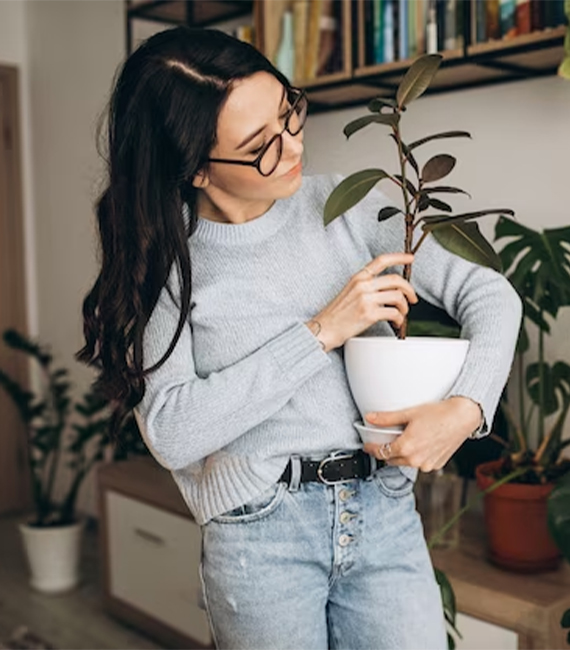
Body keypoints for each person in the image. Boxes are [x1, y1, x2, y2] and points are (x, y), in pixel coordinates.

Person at [76, 26, 522, 650]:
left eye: (289, 112)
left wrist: (467, 408)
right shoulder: (168, 260)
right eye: (260, 145)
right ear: (197, 170)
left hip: (384, 510)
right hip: (260, 536)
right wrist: (320, 332)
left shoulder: (351, 207)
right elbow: (173, 431)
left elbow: (492, 294)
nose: (291, 147)